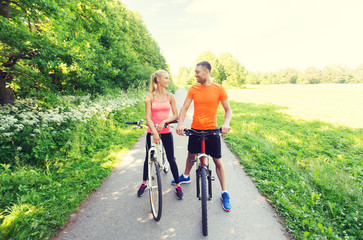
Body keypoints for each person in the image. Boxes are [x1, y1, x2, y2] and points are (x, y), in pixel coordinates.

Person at [173, 61, 232, 211]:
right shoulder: (193, 88)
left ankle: (225, 193)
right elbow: (185, 108)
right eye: (195, 72)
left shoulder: (219, 89)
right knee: (191, 156)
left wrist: (226, 123)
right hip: (196, 130)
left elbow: (228, 110)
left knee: (217, 161)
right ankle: (186, 176)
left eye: (198, 72)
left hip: (212, 131)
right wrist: (180, 124)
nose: (195, 75)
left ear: (206, 72)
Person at [137, 70, 183, 200]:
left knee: (171, 158)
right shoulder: (149, 97)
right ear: (158, 80)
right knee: (148, 157)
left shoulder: (170, 96)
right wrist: (154, 131)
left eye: (168, 78)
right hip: (152, 131)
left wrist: (164, 121)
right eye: (166, 78)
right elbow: (148, 117)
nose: (168, 80)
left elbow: (176, 115)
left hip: (166, 131)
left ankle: (178, 185)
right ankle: (144, 183)